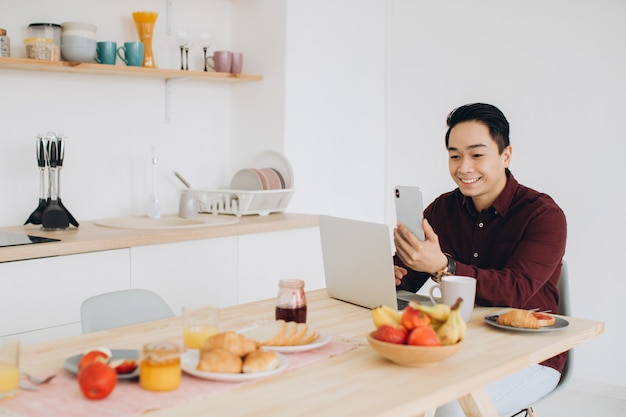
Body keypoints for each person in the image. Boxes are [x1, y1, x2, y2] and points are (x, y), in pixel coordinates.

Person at [393, 103, 567, 416]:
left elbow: (516, 290)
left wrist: (444, 266)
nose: (463, 167)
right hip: (459, 345)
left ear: (506, 155)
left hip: (530, 355)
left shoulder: (544, 215)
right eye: (454, 155)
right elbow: (407, 279)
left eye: (477, 154)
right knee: (387, 389)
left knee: (450, 409)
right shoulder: (441, 210)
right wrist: (393, 270)